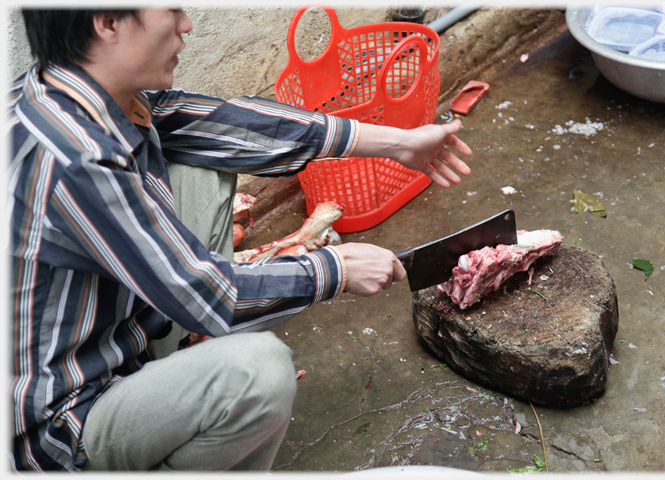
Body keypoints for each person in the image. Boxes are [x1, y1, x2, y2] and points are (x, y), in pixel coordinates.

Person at [8, 7, 472, 471]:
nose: (185, 24)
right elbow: (207, 293)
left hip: (125, 335)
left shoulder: (76, 90)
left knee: (203, 159)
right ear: (107, 23)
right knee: (257, 371)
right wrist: (338, 268)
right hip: (70, 419)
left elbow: (225, 124)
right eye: (170, 10)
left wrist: (398, 142)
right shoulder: (72, 161)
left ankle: (181, 358)